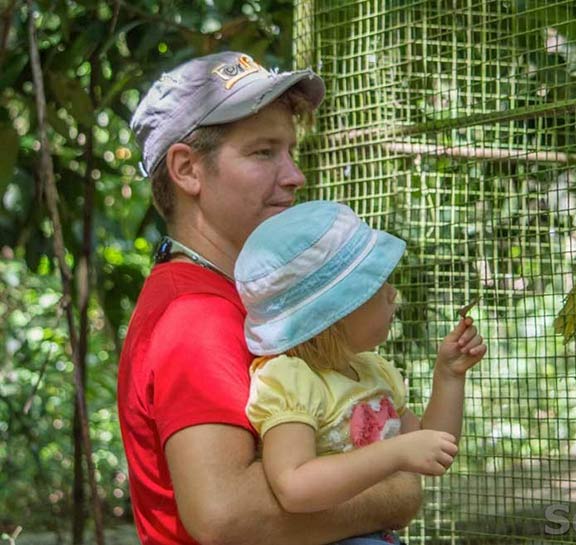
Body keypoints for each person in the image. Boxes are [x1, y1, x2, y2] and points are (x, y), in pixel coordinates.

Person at [118, 51, 422, 545]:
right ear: (187, 169)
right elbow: (226, 515)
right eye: (263, 152)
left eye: (289, 151)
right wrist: (397, 483)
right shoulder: (194, 316)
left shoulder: (237, 296)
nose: (294, 175)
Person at [234, 201, 487, 545]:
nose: (392, 293)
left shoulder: (374, 372)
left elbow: (433, 447)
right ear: (335, 314)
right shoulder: (291, 381)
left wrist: (449, 376)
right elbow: (293, 485)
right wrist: (395, 454)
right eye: (377, 285)